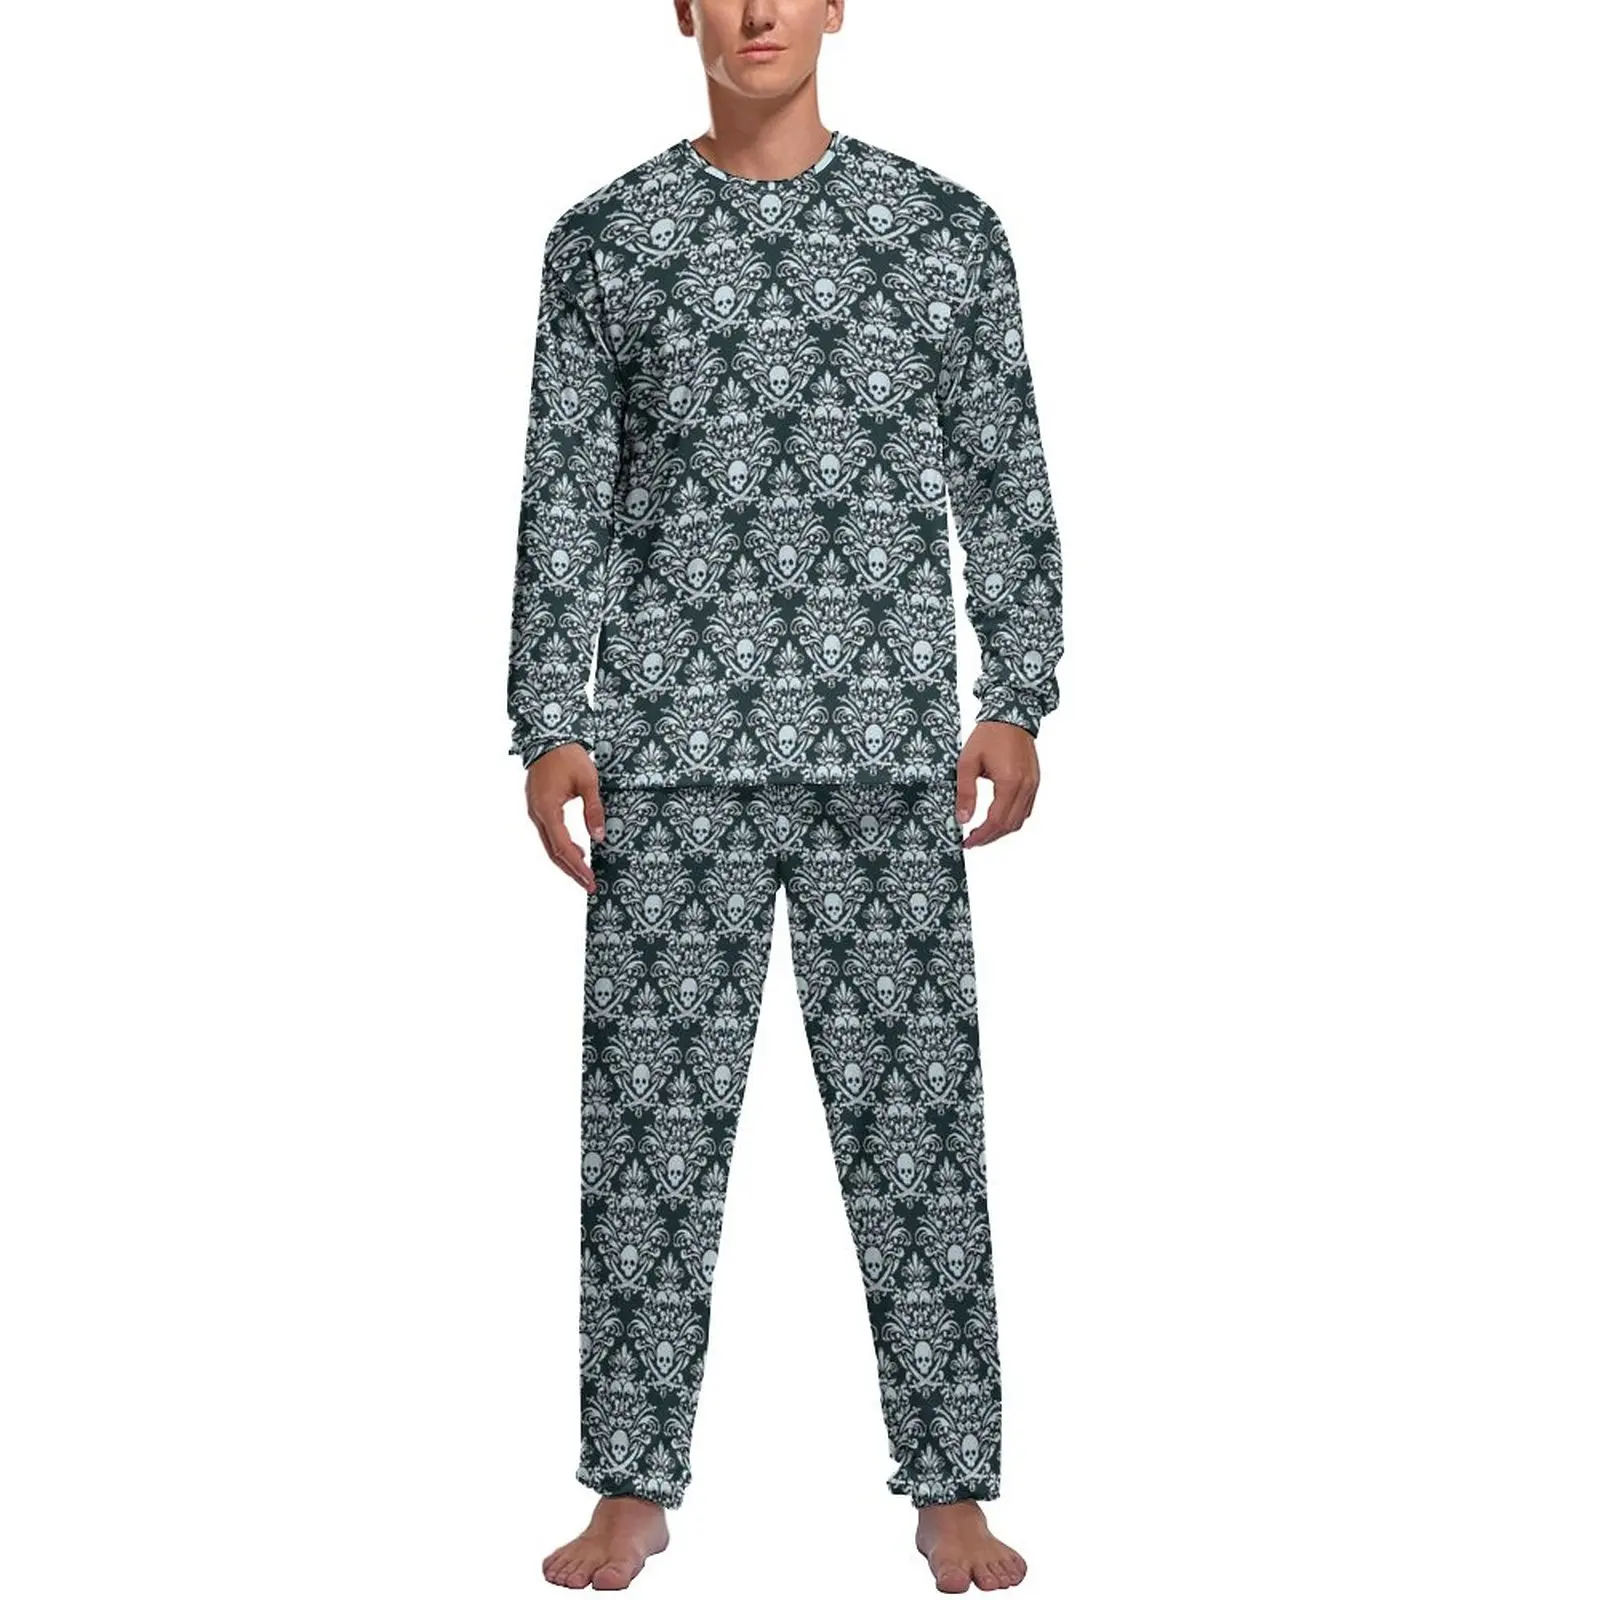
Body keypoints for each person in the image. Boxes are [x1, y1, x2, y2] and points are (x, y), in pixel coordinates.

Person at [507, 2, 1061, 1590]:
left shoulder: (946, 232)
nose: (758, 12)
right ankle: (632, 1486)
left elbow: (1003, 471)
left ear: (837, 4)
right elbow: (565, 493)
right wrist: (549, 719)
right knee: (646, 1143)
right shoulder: (603, 242)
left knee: (921, 1137)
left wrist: (1015, 692)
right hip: (667, 757)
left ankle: (951, 1490)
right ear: (680, 7)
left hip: (886, 761)